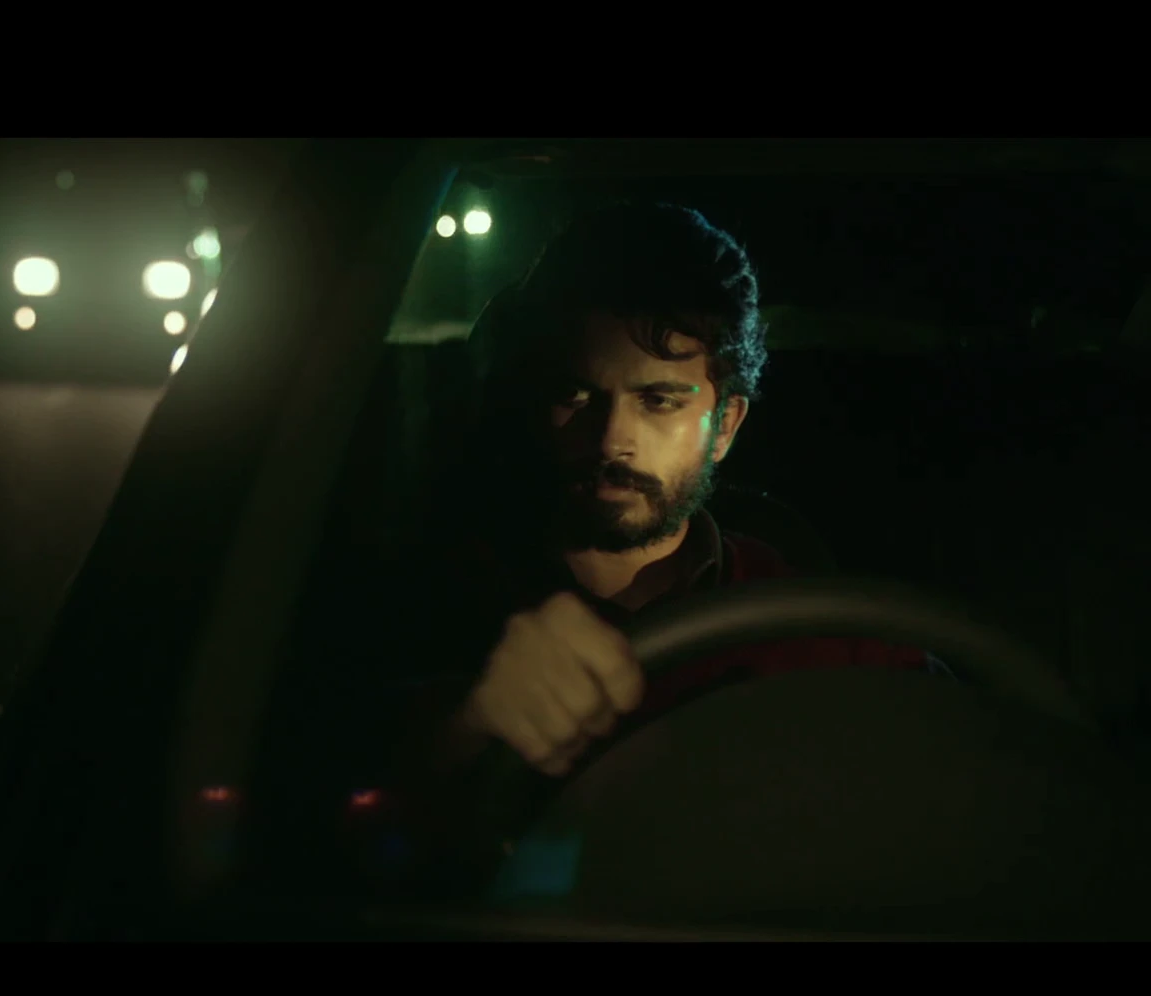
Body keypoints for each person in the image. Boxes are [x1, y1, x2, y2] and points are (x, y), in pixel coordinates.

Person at [380, 202, 941, 876]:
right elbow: (325, 814)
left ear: (724, 425)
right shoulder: (435, 604)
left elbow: (966, 777)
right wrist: (462, 731)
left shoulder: (812, 626)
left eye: (659, 400)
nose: (611, 440)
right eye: (576, 394)